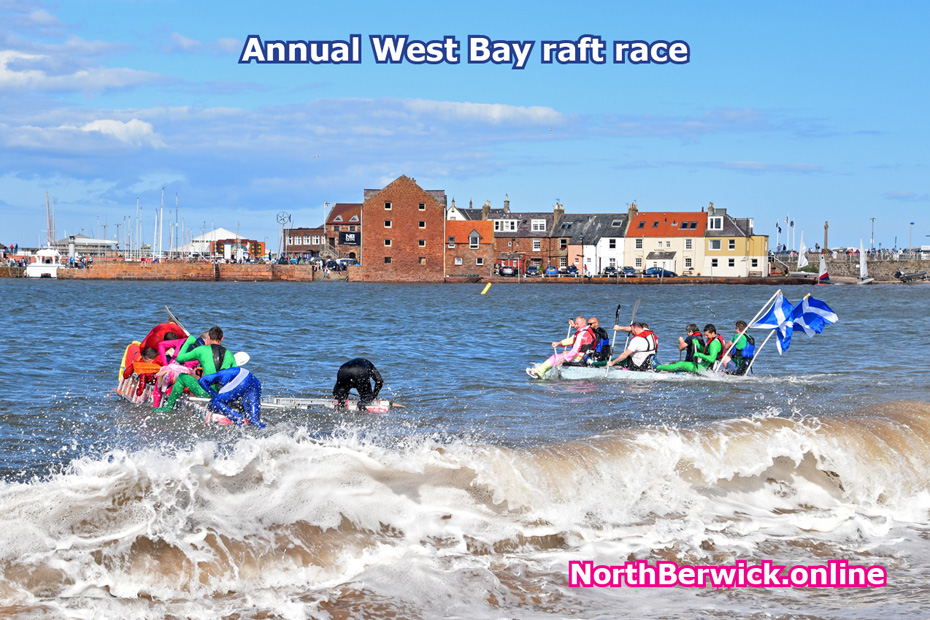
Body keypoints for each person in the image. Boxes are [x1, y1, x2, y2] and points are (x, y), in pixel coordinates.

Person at [198, 355, 264, 428]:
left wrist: (213, 395)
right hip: (255, 383)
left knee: (214, 403)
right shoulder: (231, 372)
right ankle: (266, 430)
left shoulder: (219, 374)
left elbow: (201, 380)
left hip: (242, 379)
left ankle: (237, 417)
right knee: (254, 421)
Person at [526, 316, 595, 378]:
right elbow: (571, 340)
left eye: (577, 324)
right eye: (575, 324)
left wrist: (564, 358)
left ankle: (538, 372)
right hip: (585, 356)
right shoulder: (587, 331)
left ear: (583, 324)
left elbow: (575, 350)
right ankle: (543, 368)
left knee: (555, 357)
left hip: (579, 358)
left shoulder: (581, 335)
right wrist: (558, 343)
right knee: (564, 354)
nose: (576, 326)